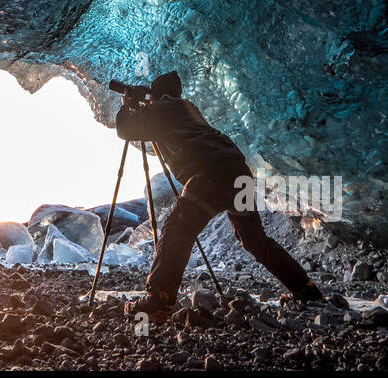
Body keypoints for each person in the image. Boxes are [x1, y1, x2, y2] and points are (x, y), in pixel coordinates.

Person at [115, 70, 323, 321]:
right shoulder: (187, 110)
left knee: (177, 229)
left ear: (158, 95)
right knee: (256, 239)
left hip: (212, 175)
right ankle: (306, 290)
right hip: (239, 173)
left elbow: (127, 129)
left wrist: (127, 106)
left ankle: (159, 299)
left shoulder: (166, 107)